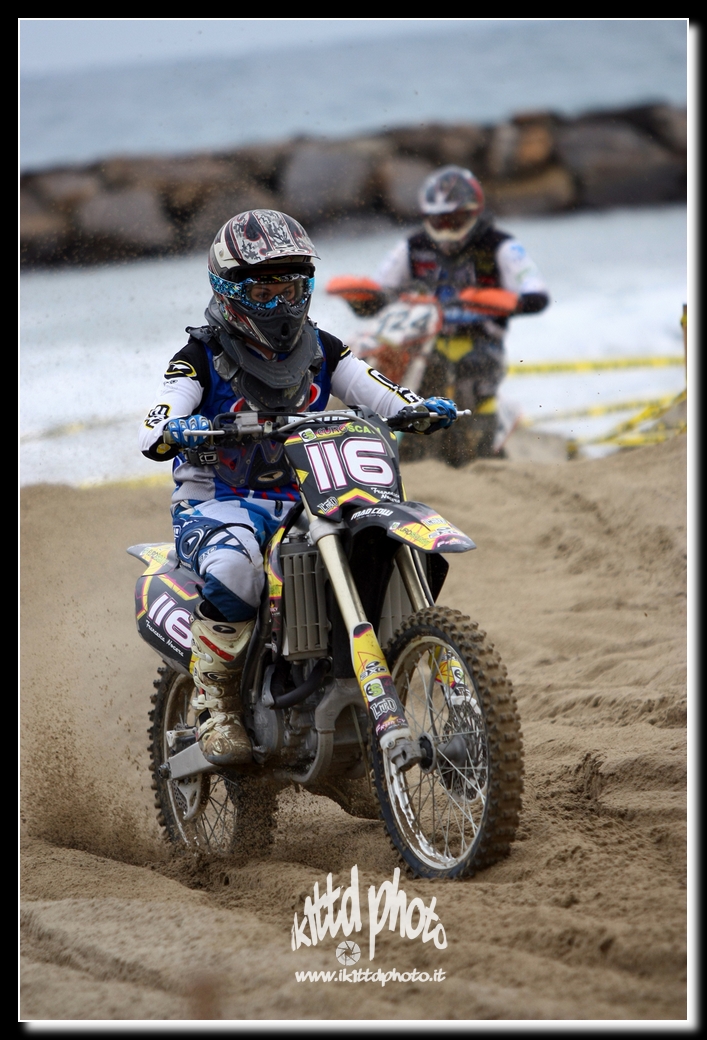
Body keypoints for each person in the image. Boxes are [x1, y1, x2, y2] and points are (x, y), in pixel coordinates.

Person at [139, 209, 456, 767]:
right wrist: (174, 429)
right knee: (236, 570)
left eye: (289, 288)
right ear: (229, 289)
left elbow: (375, 390)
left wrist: (414, 407)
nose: (280, 303)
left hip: (307, 497)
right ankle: (217, 706)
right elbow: (159, 417)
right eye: (263, 290)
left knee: (374, 542)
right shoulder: (199, 357)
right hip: (217, 503)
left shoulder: (323, 348)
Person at [332, 165, 550, 463]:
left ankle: (481, 453)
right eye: (439, 220)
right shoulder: (413, 246)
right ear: (427, 217)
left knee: (473, 385)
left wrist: (506, 302)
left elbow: (536, 294)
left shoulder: (500, 246)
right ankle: (396, 448)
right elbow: (382, 292)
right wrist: (363, 299)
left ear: (473, 213)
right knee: (392, 380)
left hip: (478, 342)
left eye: (453, 220)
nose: (446, 229)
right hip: (419, 341)